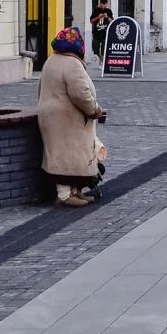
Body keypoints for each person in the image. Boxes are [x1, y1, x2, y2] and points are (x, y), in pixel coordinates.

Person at [38, 27, 103, 208]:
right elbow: (81, 93)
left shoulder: (51, 60)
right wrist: (95, 110)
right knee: (68, 156)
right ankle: (65, 194)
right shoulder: (71, 64)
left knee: (63, 153)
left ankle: (75, 191)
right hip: (67, 119)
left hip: (54, 118)